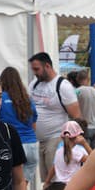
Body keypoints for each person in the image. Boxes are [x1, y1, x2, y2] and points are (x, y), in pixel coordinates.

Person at [28, 52, 82, 181]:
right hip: (36, 140)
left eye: (37, 69)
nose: (35, 73)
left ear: (47, 66)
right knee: (42, 180)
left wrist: (72, 142)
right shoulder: (35, 84)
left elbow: (76, 116)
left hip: (55, 137)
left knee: (54, 178)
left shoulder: (63, 86)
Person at [0, 66, 39, 187]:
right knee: (21, 186)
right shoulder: (27, 99)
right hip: (31, 145)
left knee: (10, 186)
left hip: (12, 145)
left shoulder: (0, 99)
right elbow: (34, 124)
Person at [44, 120, 91, 185]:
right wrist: (85, 143)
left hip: (58, 185)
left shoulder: (59, 151)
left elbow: (54, 167)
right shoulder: (77, 153)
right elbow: (94, 160)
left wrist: (47, 182)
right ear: (78, 136)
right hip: (72, 187)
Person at [76, 70, 95, 149]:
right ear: (88, 79)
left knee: (84, 152)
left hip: (84, 127)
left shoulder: (77, 91)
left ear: (77, 79)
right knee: (94, 154)